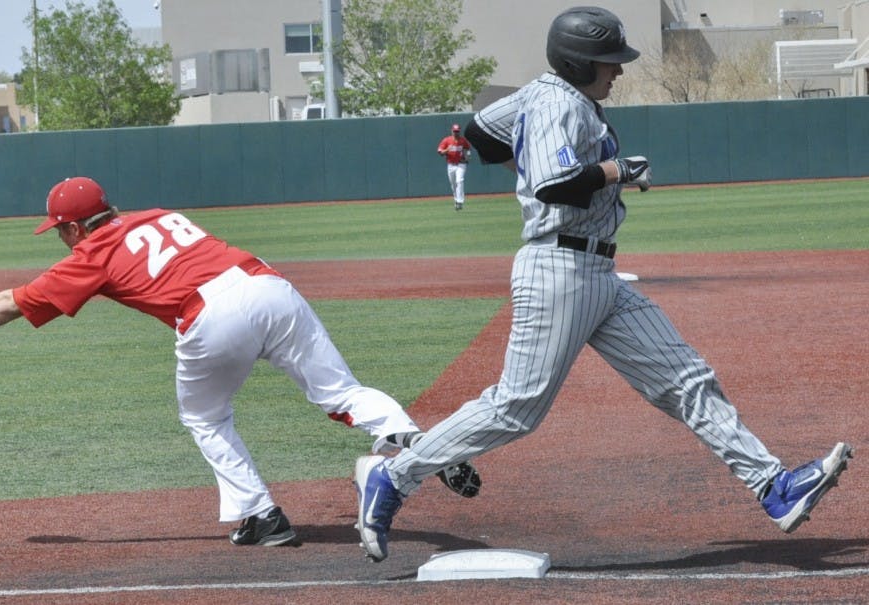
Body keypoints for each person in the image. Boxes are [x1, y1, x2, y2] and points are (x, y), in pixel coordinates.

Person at [353, 6, 853, 562]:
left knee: (687, 380)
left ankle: (773, 487)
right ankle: (394, 477)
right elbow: (551, 187)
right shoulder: (560, 104)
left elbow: (479, 134)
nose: (617, 70)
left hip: (596, 274)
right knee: (515, 409)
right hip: (559, 270)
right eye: (608, 62)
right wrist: (620, 169)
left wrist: (531, 143)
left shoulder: (543, 94)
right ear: (577, 62)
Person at [0, 176, 478, 548]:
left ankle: (262, 516)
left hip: (209, 313)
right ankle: (410, 439)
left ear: (76, 226)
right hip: (266, 282)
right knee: (342, 392)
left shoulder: (91, 252)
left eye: (59, 229)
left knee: (206, 418)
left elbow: (13, 303)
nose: (59, 237)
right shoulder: (159, 214)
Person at [437, 123, 472, 211]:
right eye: (454, 131)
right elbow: (440, 152)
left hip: (461, 164)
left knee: (459, 180)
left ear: (459, 131)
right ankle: (456, 200)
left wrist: (467, 157)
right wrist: (447, 150)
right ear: (452, 131)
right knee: (453, 184)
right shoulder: (446, 140)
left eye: (457, 131)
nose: (456, 133)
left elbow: (468, 150)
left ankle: (460, 201)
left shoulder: (463, 141)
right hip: (451, 165)